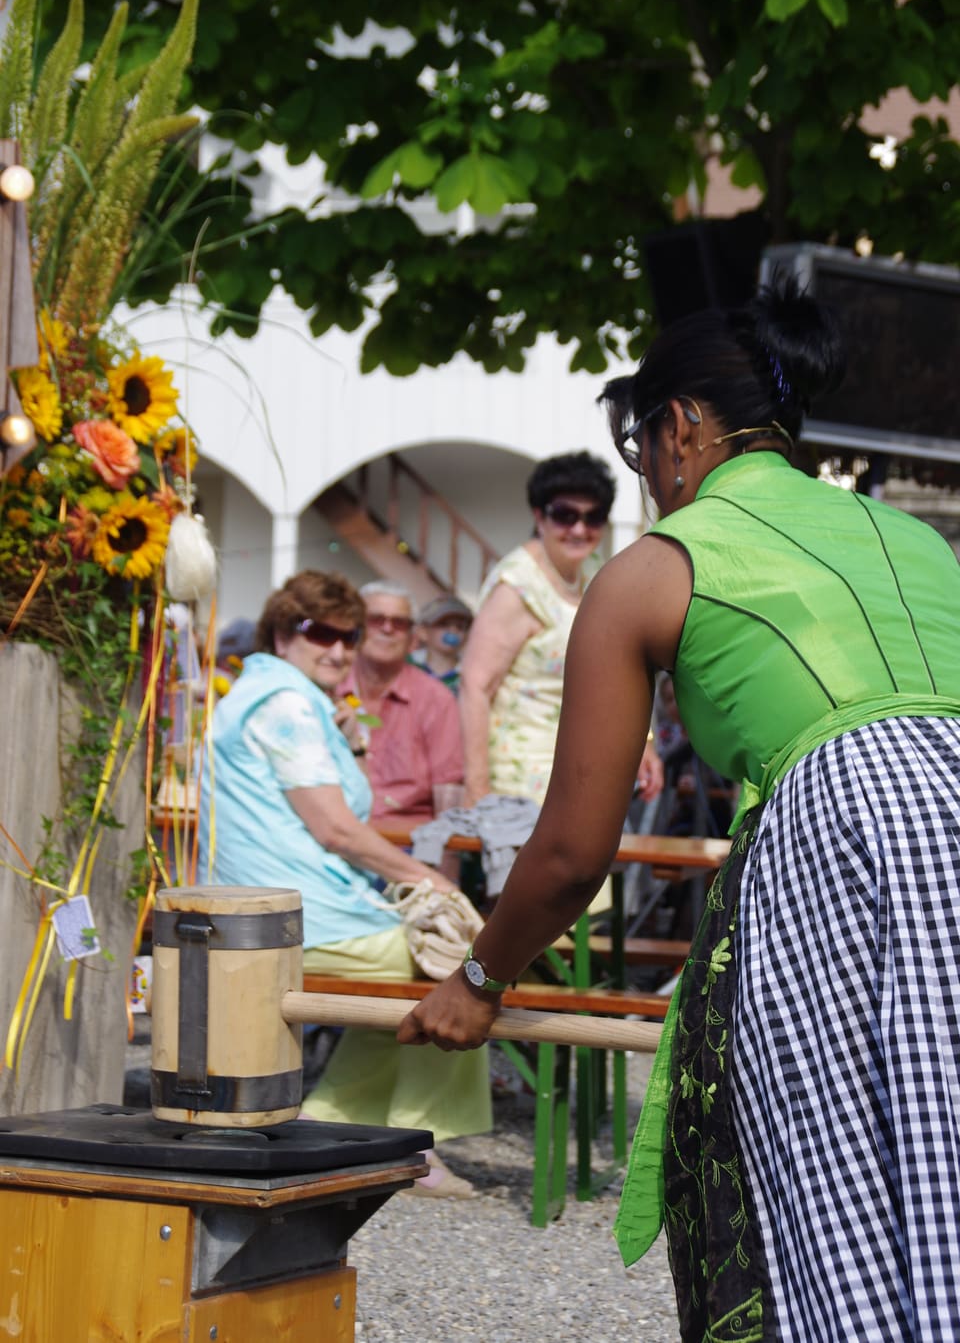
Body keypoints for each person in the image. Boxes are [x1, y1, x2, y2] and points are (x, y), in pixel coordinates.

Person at [398, 276, 960, 1337]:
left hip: (841, 835)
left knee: (836, 1203)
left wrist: (479, 979)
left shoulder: (655, 569)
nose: (647, 479)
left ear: (685, 425)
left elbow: (571, 850)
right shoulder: (923, 543)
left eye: (641, 449)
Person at [197, 569, 490, 1198]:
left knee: (423, 977)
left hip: (271, 910)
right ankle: (419, 1143)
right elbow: (335, 829)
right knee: (462, 969)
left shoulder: (265, 692)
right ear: (283, 633)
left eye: (348, 636)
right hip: (292, 917)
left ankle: (333, 1122)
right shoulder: (288, 705)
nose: (337, 648)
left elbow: (341, 817)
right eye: (319, 632)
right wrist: (430, 880)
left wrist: (352, 750)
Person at [459, 450, 662, 806]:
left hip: (582, 773)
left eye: (593, 517)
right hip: (519, 780)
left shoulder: (594, 573)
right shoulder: (517, 586)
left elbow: (618, 673)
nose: (579, 530)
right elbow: (475, 687)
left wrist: (644, 742)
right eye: (565, 516)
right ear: (540, 516)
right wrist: (476, 789)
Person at [340, 581, 464, 829]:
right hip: (335, 840)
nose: (387, 629)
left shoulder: (435, 699)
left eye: (400, 623)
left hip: (407, 847)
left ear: (413, 638)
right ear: (355, 626)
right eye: (376, 619)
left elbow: (449, 797)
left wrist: (442, 865)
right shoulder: (329, 689)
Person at [410, 593, 473, 694]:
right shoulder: (407, 665)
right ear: (423, 631)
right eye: (443, 624)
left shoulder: (468, 676)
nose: (453, 630)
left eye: (460, 627)